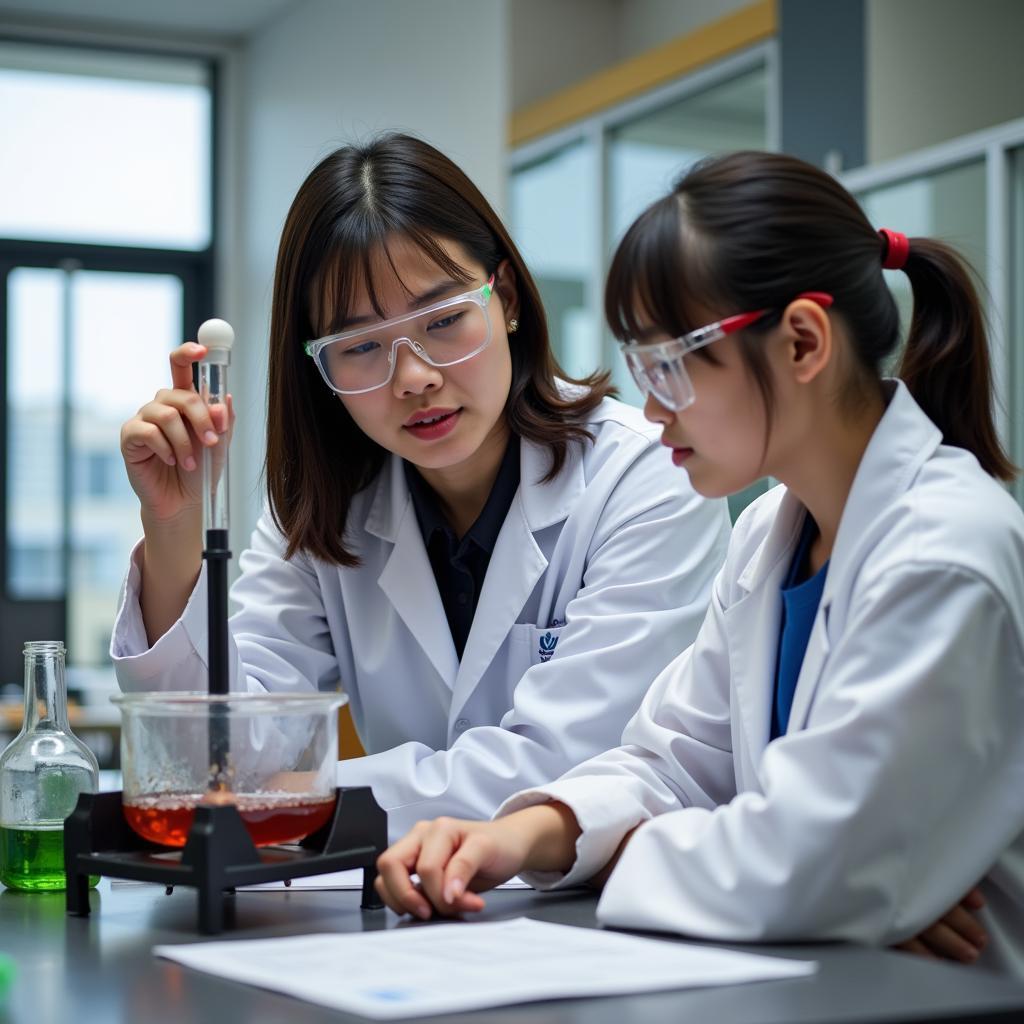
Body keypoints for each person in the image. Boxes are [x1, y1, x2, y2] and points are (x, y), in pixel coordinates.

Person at [374, 150, 1024, 974]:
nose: (649, 407)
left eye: (671, 365)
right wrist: (517, 836)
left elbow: (808, 867)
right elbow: (674, 758)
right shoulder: (770, 539)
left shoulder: (943, 552)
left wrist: (657, 855)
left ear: (802, 341)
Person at [111, 134, 731, 841]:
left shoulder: (644, 474)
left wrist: (307, 792)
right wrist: (172, 533)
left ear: (506, 299)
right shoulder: (323, 512)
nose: (413, 378)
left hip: (604, 911)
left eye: (442, 321)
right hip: (407, 915)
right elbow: (216, 762)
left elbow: (566, 764)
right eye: (361, 346)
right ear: (317, 367)